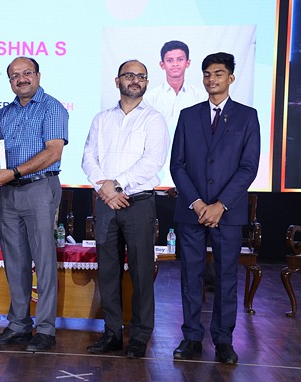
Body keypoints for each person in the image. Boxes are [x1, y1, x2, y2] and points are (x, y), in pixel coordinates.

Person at [170, 52, 260, 364]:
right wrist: (197, 203)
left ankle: (223, 341)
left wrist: (220, 205)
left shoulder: (247, 116)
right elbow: (177, 165)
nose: (212, 79)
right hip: (191, 211)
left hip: (228, 213)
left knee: (225, 278)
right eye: (207, 74)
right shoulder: (188, 115)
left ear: (231, 78)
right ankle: (191, 337)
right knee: (190, 276)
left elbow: (248, 168)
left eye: (219, 73)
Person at [81, 60, 169, 358]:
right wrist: (105, 189)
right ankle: (112, 333)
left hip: (138, 203)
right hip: (106, 204)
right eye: (129, 75)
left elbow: (152, 161)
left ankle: (140, 336)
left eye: (141, 76)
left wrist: (117, 185)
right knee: (108, 272)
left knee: (142, 273)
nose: (135, 80)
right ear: (117, 81)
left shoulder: (154, 119)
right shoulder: (101, 119)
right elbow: (88, 157)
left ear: (147, 82)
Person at [0, 57, 68, 352]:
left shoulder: (52, 107)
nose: (21, 79)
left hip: (39, 188)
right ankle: (19, 324)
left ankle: (45, 329)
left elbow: (53, 153)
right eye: (15, 75)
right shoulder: (4, 113)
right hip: (8, 193)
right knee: (15, 261)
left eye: (27, 73)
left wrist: (16, 172)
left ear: (38, 75)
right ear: (10, 81)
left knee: (43, 260)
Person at [145, 40, 206, 189]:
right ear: (162, 64)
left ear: (188, 63)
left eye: (180, 59)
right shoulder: (149, 98)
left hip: (193, 165)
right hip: (156, 167)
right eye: (170, 60)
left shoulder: (201, 97)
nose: (175, 64)